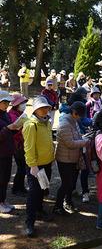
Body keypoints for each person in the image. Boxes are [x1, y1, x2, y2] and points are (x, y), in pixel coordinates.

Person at [23, 96, 55, 237]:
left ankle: (40, 210)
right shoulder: (31, 125)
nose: (44, 110)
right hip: (36, 166)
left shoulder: (47, 122)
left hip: (47, 163)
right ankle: (29, 222)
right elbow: (28, 148)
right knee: (33, 193)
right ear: (35, 110)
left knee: (43, 188)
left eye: (46, 107)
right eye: (41, 108)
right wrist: (33, 165)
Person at [54, 102, 89, 215]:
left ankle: (68, 201)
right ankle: (58, 206)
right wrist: (85, 142)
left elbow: (77, 136)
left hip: (73, 158)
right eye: (79, 115)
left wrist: (84, 137)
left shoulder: (74, 121)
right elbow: (70, 143)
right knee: (65, 184)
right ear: (74, 113)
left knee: (71, 183)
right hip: (65, 159)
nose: (80, 118)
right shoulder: (64, 124)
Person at [0, 91, 19, 213]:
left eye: (8, 102)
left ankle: (3, 200)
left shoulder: (5, 114)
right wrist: (7, 129)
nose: (7, 104)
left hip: (7, 152)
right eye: (5, 102)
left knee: (6, 177)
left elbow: (8, 131)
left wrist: (15, 128)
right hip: (0, 153)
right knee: (0, 178)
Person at [8, 94, 28, 195]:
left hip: (23, 144)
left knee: (23, 167)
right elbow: (14, 131)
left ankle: (21, 187)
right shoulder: (12, 114)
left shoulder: (20, 113)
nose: (24, 105)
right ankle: (16, 188)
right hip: (17, 145)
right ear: (16, 104)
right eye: (22, 103)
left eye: (24, 102)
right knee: (21, 167)